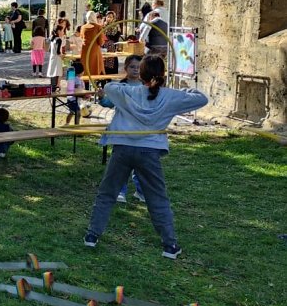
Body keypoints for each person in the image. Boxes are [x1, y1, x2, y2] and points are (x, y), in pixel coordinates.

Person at [84, 56, 209, 259]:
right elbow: (201, 98)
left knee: (107, 193)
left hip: (123, 149)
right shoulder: (170, 96)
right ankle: (169, 246)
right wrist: (178, 91)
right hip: (149, 151)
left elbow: (109, 87)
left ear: (140, 74)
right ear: (162, 74)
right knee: (157, 198)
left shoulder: (127, 92)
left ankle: (92, 235)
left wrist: (130, 85)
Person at [98, 56, 145, 203]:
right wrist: (102, 98)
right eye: (132, 67)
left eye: (138, 67)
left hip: (140, 130)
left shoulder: (146, 86)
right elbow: (109, 102)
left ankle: (141, 191)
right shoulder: (120, 86)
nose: (136, 70)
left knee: (140, 163)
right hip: (123, 130)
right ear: (126, 69)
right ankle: (120, 191)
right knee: (121, 163)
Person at [81, 10, 107, 79]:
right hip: (94, 51)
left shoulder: (83, 27)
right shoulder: (98, 27)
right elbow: (100, 42)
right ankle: (97, 82)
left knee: (86, 68)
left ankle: (86, 83)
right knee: (97, 68)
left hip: (85, 51)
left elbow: (81, 38)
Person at [46, 24, 67, 91]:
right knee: (57, 72)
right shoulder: (59, 40)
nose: (63, 32)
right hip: (57, 58)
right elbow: (58, 52)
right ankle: (55, 87)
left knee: (53, 73)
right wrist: (63, 56)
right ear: (58, 31)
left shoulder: (52, 38)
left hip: (52, 58)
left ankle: (53, 87)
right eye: (62, 31)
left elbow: (50, 49)